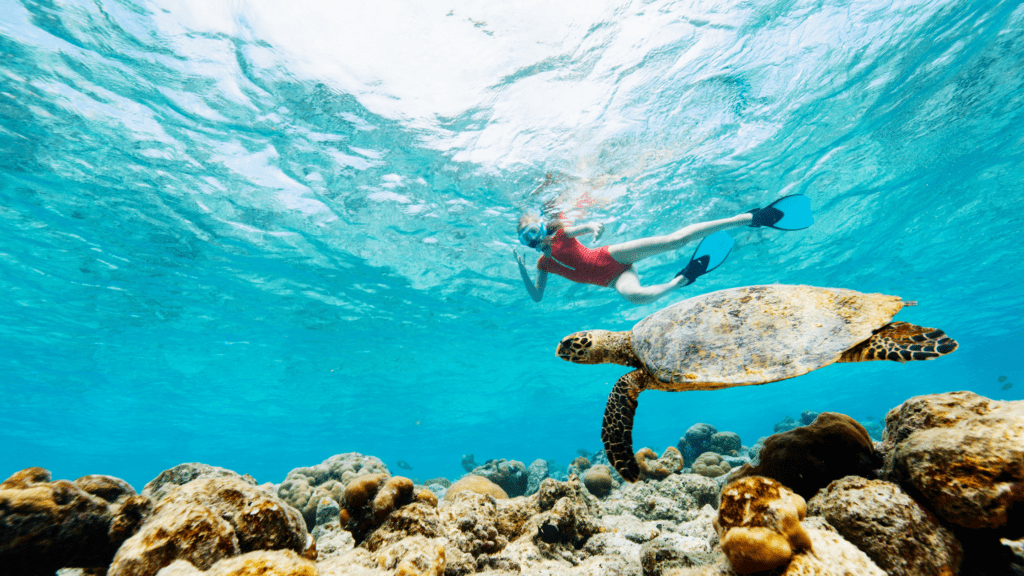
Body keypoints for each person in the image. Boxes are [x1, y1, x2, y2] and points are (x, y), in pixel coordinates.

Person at [513, 195, 813, 304]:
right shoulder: (542, 265)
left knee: (674, 241)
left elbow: (585, 228)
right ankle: (682, 279)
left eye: (534, 230)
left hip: (612, 255)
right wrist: (522, 270)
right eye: (527, 237)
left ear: (542, 226)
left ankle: (749, 218)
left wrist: (593, 228)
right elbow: (537, 297)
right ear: (525, 244)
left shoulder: (562, 234)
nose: (534, 238)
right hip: (613, 279)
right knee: (635, 297)